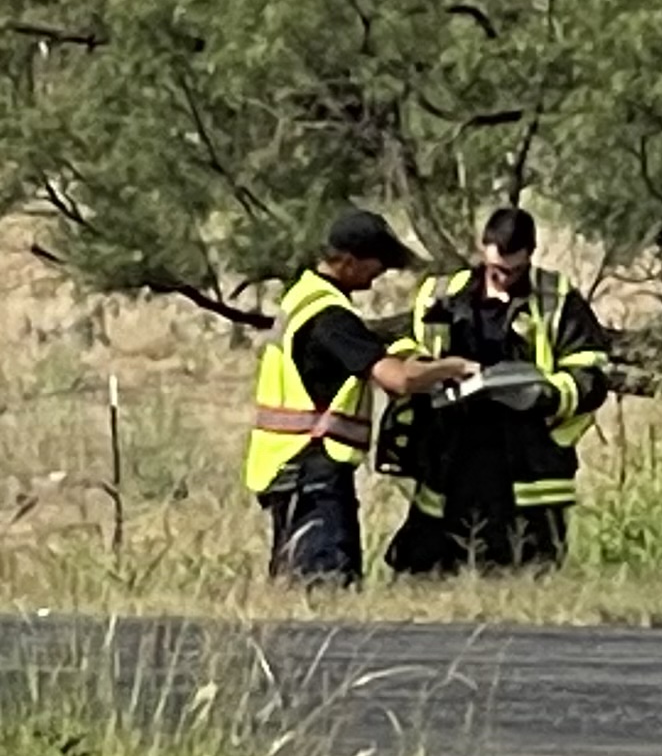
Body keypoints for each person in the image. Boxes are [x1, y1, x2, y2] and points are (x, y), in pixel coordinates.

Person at [244, 209, 482, 586]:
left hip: (289, 467)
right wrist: (452, 367)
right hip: (312, 470)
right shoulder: (330, 317)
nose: (381, 273)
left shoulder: (303, 297)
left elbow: (364, 351)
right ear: (349, 262)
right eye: (377, 264)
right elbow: (398, 380)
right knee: (326, 588)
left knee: (296, 591)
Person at [384, 206, 619, 576]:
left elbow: (592, 372)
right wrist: (430, 372)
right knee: (431, 566)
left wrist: (544, 394)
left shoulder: (556, 300)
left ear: (531, 254)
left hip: (528, 458)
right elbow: (406, 347)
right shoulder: (442, 294)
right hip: (452, 450)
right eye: (496, 270)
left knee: (527, 568)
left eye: (514, 271)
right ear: (483, 250)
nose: (504, 278)